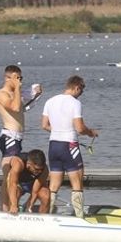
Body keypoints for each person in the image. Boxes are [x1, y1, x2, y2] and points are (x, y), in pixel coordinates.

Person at [41, 75, 98, 216]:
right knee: (77, 182)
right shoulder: (75, 103)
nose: (81, 95)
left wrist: (59, 130)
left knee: (53, 185)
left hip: (53, 145)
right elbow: (79, 128)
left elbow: (44, 125)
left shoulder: (50, 101)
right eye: (81, 91)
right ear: (77, 87)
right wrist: (90, 133)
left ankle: (48, 215)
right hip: (70, 145)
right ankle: (80, 216)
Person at [0, 65, 41, 214]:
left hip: (17, 138)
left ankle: (7, 207)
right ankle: (5, 209)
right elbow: (14, 108)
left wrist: (35, 94)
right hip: (10, 137)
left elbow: (22, 108)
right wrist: (18, 89)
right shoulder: (3, 94)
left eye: (21, 78)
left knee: (11, 176)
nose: (19, 81)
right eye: (17, 78)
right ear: (8, 78)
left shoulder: (15, 94)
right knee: (8, 176)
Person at [16, 149, 52, 214]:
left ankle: (43, 217)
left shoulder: (44, 170)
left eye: (41, 169)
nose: (39, 172)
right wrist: (13, 205)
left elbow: (35, 191)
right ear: (29, 163)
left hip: (33, 185)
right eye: (36, 169)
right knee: (15, 192)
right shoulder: (18, 162)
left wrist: (29, 206)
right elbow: (11, 184)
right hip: (19, 184)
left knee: (46, 195)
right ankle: (13, 213)